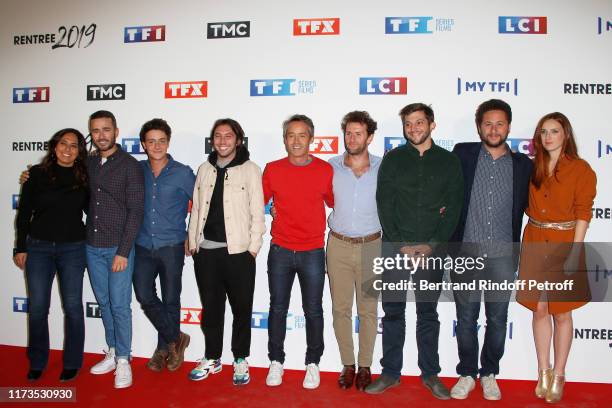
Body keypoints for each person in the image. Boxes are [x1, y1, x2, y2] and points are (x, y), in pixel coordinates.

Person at [366, 103, 463, 399]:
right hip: (395, 248)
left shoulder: (448, 162)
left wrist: (431, 245)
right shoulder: (393, 159)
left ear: (432, 125)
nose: (413, 129)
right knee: (393, 312)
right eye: (408, 124)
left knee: (427, 314)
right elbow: (385, 203)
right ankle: (390, 373)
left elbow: (455, 207)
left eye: (419, 122)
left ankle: (431, 374)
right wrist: (400, 244)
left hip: (432, 251)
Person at [449, 99, 532, 400]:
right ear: (479, 126)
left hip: (502, 256)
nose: (493, 129)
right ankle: (467, 373)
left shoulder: (524, 165)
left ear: (508, 126)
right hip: (466, 253)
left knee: (497, 320)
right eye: (488, 123)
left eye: (499, 124)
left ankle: (489, 373)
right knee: (467, 317)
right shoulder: (463, 154)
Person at [517, 112, 596, 403]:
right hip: (535, 239)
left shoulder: (581, 169)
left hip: (565, 242)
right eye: (543, 132)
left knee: (562, 311)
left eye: (554, 131)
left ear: (566, 134)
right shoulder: (532, 167)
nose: (548, 136)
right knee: (539, 309)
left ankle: (560, 373)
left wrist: (575, 251)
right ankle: (543, 371)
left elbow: (583, 212)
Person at [187, 119, 266, 386]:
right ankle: (212, 357)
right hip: (206, 253)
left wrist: (253, 249)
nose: (222, 141)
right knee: (211, 310)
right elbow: (196, 208)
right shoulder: (204, 169)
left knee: (242, 309)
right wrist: (193, 243)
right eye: (217, 136)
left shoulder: (251, 170)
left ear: (238, 140)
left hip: (239, 254)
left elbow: (258, 213)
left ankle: (241, 359)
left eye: (228, 136)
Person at [263, 114, 334, 389]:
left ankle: (313, 363)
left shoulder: (325, 170)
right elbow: (259, 201)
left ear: (311, 139)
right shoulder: (272, 169)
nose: (296, 141)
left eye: (302, 135)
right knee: (277, 308)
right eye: (290, 135)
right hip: (280, 249)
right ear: (284, 140)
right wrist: (271, 208)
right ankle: (276, 361)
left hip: (313, 250)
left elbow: (332, 201)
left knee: (313, 310)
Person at [14, 128, 89, 382]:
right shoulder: (35, 175)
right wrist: (20, 247)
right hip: (38, 248)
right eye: (63, 143)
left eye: (74, 145)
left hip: (73, 249)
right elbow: (24, 213)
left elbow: (95, 210)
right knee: (37, 308)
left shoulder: (86, 177)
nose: (68, 149)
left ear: (80, 151)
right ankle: (37, 361)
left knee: (73, 307)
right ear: (54, 146)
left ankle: (72, 362)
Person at [85, 110, 144, 388]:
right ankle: (111, 349)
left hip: (118, 248)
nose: (101, 136)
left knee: (120, 305)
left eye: (106, 130)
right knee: (105, 302)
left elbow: (135, 212)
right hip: (92, 246)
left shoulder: (130, 165)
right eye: (96, 131)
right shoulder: (88, 163)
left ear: (116, 131)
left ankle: (124, 359)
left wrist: (123, 251)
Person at [132, 118, 195, 373]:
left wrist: (192, 234)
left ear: (168, 142)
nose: (156, 145)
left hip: (172, 244)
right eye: (151, 141)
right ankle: (175, 339)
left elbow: (202, 204)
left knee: (171, 299)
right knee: (145, 295)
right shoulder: (136, 171)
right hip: (143, 244)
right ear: (144, 145)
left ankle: (162, 351)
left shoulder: (183, 172)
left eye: (161, 140)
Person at [327, 111, 381, 391]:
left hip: (372, 245)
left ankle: (365, 366)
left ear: (369, 137)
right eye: (348, 132)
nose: (352, 138)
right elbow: (311, 197)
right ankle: (348, 365)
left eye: (358, 133)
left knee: (369, 310)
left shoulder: (384, 168)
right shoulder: (331, 166)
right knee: (340, 309)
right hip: (337, 244)